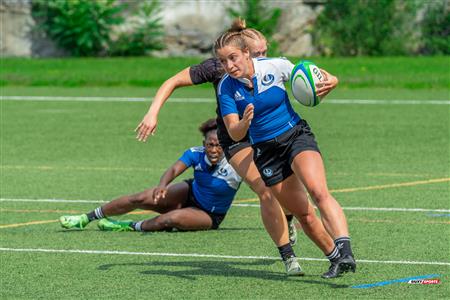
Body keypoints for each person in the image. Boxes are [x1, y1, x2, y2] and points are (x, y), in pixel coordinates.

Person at [134, 18, 341, 277]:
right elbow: (173, 80)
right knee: (266, 191)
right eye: (259, 53)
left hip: (270, 133)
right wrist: (153, 112)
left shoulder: (264, 67)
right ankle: (288, 256)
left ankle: (326, 242)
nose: (263, 57)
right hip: (237, 138)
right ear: (244, 50)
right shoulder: (218, 68)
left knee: (297, 193)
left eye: (265, 52)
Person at [214, 26, 356, 279]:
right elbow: (234, 133)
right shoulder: (226, 88)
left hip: (295, 136)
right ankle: (335, 259)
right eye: (223, 61)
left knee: (318, 190)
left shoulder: (275, 66)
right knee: (303, 214)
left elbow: (318, 75)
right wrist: (244, 123)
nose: (229, 65)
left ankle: (345, 249)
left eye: (232, 57)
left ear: (247, 53)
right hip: (266, 151)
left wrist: (332, 80)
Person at [60, 119, 241, 232]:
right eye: (210, 145)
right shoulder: (196, 153)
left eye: (219, 145)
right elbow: (173, 170)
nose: (214, 149)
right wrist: (162, 185)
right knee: (140, 197)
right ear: (204, 143)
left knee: (170, 219)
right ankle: (85, 218)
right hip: (189, 192)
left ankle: (129, 226)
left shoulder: (237, 165)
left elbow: (260, 186)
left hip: (209, 214)